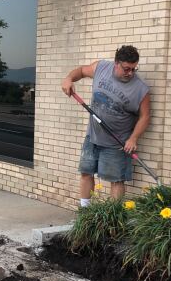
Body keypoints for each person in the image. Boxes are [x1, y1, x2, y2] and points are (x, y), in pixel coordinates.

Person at [60, 45, 150, 205]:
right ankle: (85, 213)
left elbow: (145, 116)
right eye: (127, 69)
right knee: (86, 173)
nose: (130, 73)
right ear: (116, 63)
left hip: (117, 143)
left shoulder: (140, 89)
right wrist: (69, 79)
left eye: (134, 69)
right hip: (92, 136)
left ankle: (113, 218)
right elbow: (80, 71)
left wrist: (133, 138)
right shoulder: (101, 67)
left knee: (116, 180)